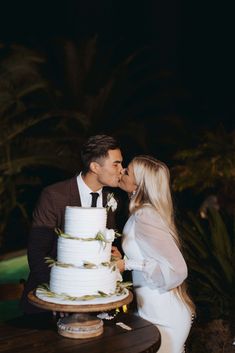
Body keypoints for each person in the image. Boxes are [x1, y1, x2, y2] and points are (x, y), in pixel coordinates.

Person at [21, 134, 123, 314]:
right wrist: (63, 297)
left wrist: (111, 254)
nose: (121, 170)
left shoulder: (110, 200)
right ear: (95, 167)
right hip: (50, 304)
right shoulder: (54, 196)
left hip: (96, 302)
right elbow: (37, 253)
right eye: (116, 164)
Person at [116, 155, 195, 353]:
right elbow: (147, 256)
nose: (122, 171)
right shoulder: (140, 213)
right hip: (152, 311)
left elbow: (178, 270)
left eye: (128, 171)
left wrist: (128, 265)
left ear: (140, 184)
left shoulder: (146, 215)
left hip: (165, 316)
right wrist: (123, 258)